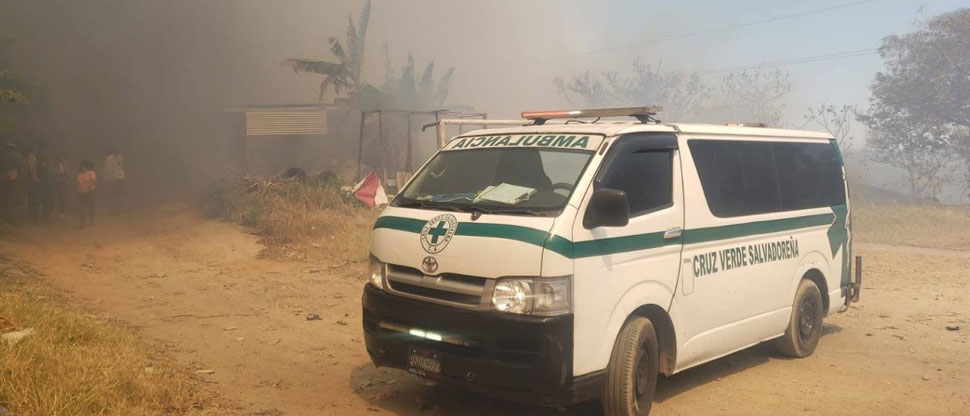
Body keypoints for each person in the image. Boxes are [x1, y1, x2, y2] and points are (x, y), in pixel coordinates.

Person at [1, 143, 23, 224]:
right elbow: (20, 169)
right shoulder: (17, 156)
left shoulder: (4, 157)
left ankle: (7, 218)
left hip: (5, 180)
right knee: (12, 200)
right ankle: (13, 219)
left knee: (6, 199)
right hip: (14, 180)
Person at [102, 146, 125, 214]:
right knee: (113, 195)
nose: (117, 152)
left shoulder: (120, 157)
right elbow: (106, 169)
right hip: (113, 179)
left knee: (119, 194)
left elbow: (120, 166)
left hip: (119, 178)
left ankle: (118, 209)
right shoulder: (108, 159)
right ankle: (114, 209)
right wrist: (106, 178)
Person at [77, 160, 96, 228]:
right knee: (82, 207)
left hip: (90, 192)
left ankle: (91, 220)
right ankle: (83, 222)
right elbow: (79, 183)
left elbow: (93, 181)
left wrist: (88, 188)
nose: (82, 168)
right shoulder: (79, 174)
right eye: (81, 166)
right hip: (81, 192)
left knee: (90, 206)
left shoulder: (91, 172)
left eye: (83, 166)